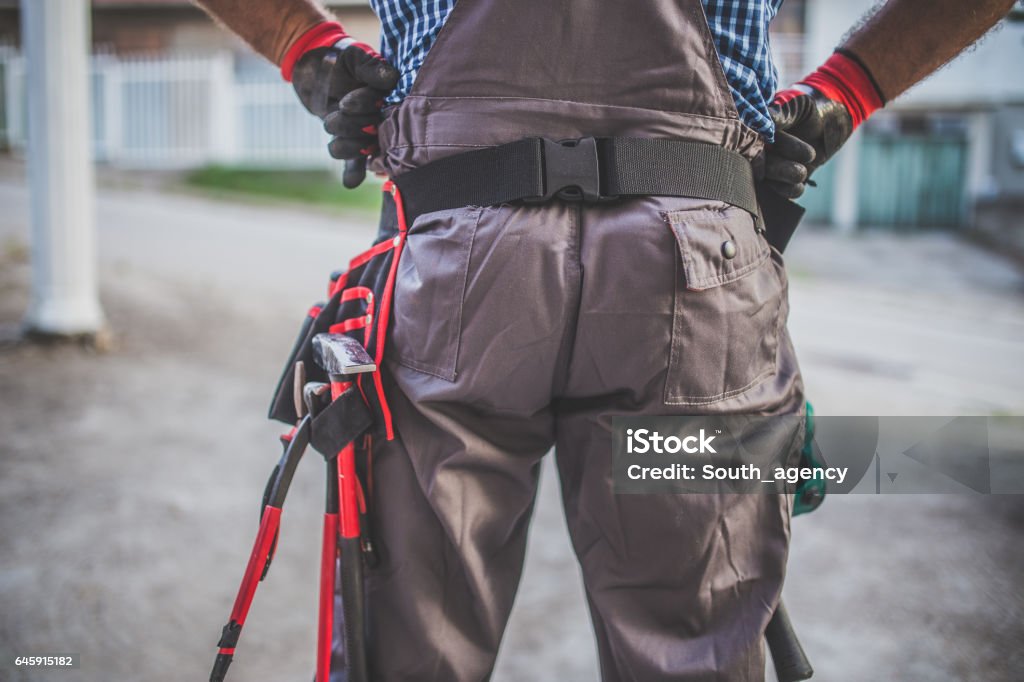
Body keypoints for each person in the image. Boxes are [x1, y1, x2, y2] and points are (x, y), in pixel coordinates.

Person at [194, 1, 1016, 680]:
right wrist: (845, 92)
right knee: (691, 651)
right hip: (695, 281)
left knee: (411, 649)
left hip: (456, 269)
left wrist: (306, 48)